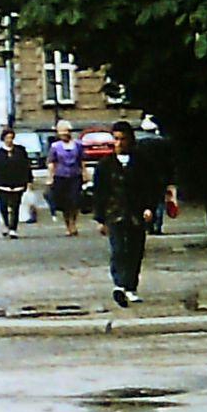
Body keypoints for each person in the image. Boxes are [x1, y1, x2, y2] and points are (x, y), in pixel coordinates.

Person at [93, 120, 162, 307]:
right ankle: (120, 284)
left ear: (129, 140)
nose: (119, 143)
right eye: (116, 139)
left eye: (122, 139)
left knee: (135, 250)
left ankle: (131, 286)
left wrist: (149, 208)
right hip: (114, 213)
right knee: (118, 250)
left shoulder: (142, 163)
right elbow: (100, 193)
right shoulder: (105, 166)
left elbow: (151, 187)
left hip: (136, 213)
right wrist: (100, 218)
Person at [46, 120, 87, 237]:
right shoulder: (55, 146)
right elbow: (51, 162)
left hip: (75, 175)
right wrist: (50, 177)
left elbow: (82, 160)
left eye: (66, 132)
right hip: (61, 176)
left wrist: (85, 173)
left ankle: (74, 223)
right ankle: (68, 225)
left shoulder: (78, 145)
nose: (64, 134)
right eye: (62, 132)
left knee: (75, 201)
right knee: (64, 203)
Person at [0, 128, 32, 238]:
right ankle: (6, 225)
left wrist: (29, 180)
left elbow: (26, 166)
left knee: (15, 206)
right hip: (2, 183)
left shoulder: (20, 151)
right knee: (3, 206)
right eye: (7, 138)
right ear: (3, 139)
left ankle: (13, 228)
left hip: (17, 183)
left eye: (11, 137)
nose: (9, 140)